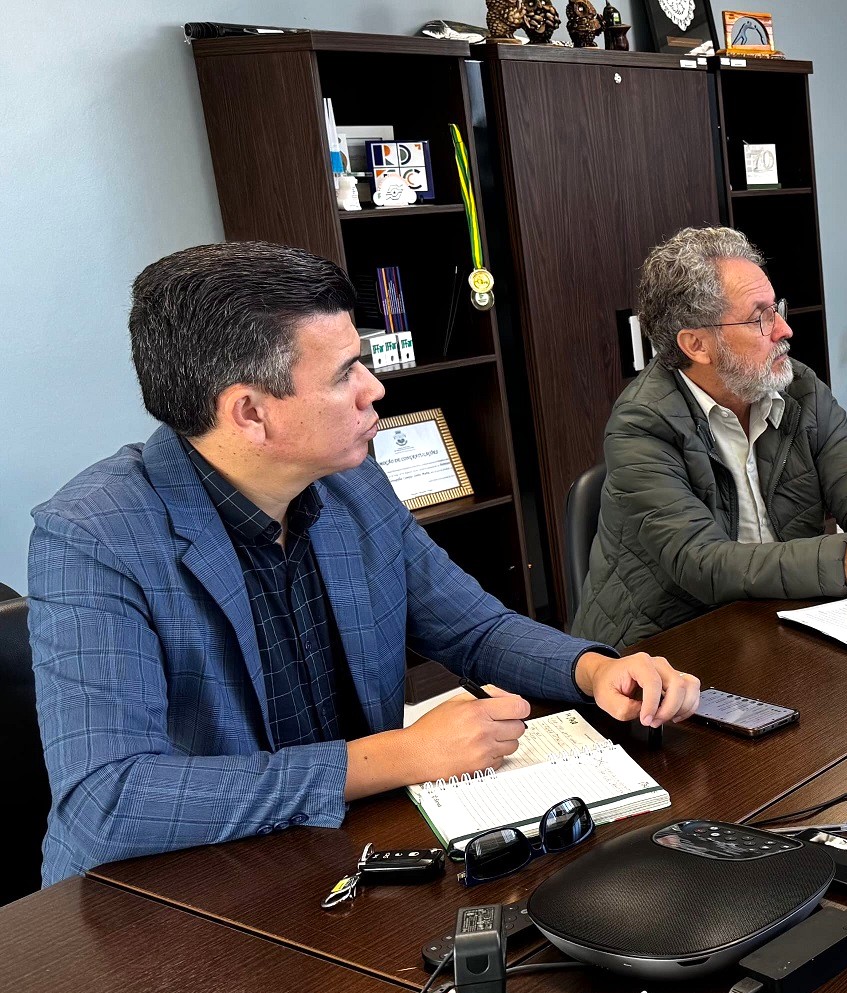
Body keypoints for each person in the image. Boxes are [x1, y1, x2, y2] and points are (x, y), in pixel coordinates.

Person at [30, 242, 703, 883]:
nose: (373, 389)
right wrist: (397, 757)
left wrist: (595, 669)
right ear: (250, 414)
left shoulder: (350, 483)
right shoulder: (93, 536)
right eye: (344, 372)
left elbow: (473, 630)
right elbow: (108, 799)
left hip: (341, 858)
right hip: (175, 905)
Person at [570, 227, 847, 646]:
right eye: (760, 317)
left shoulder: (800, 388)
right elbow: (703, 564)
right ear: (697, 345)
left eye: (776, 308)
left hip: (783, 620)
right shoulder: (640, 424)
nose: (783, 330)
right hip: (669, 645)